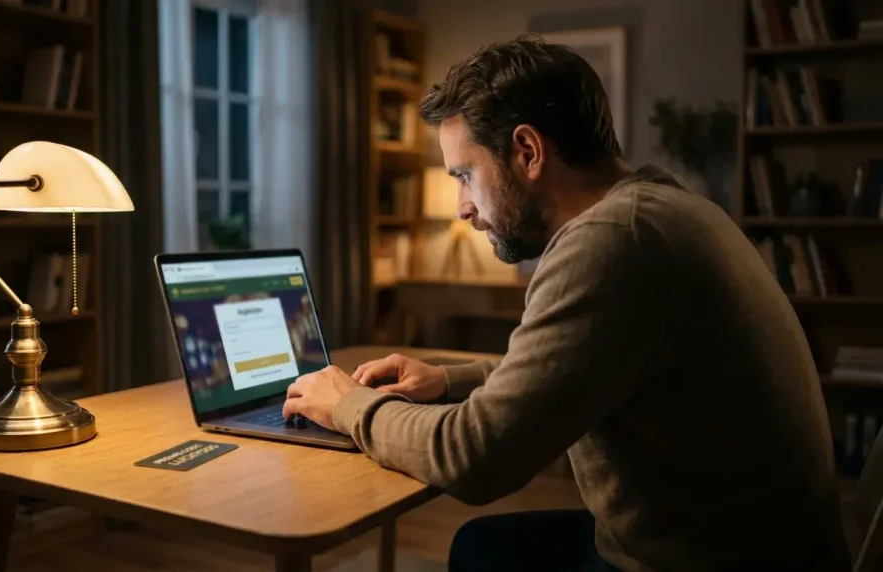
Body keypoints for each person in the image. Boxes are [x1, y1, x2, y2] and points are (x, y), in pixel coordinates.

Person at [282, 35, 851, 571]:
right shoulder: (661, 208)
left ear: (527, 151)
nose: (462, 207)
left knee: (482, 552)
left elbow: (474, 459)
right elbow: (572, 367)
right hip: (753, 547)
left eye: (465, 175)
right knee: (484, 548)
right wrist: (447, 380)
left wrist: (349, 405)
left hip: (702, 563)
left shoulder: (611, 241)